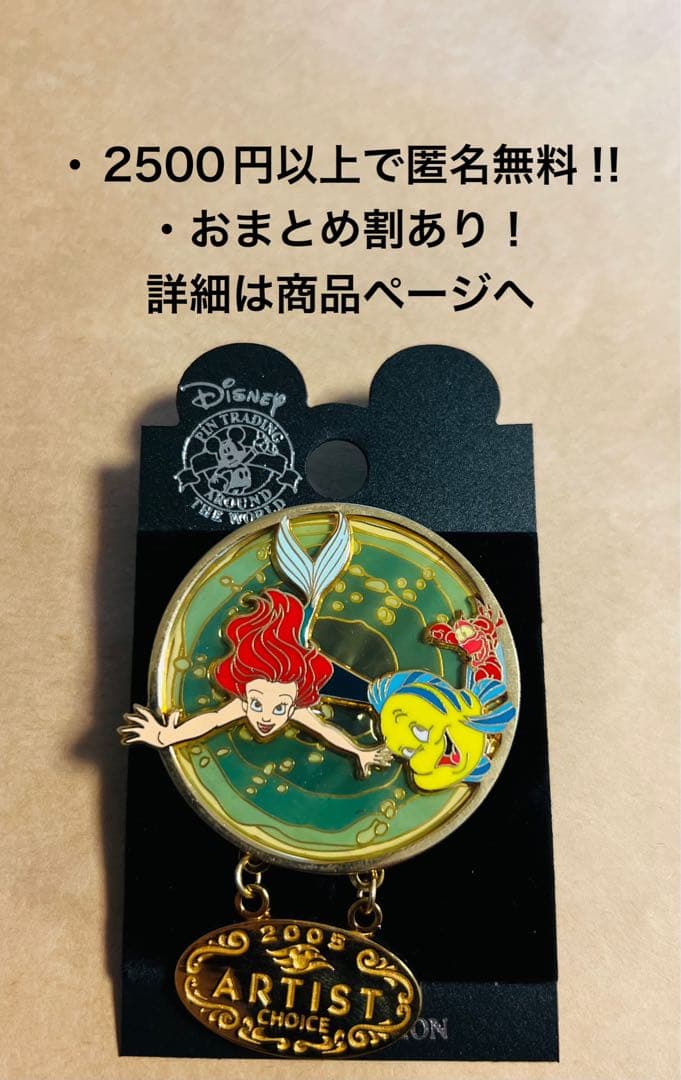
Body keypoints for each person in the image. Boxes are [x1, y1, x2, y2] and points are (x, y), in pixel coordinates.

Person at [120, 588, 392, 778]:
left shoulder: (293, 707)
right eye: (257, 704)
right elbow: (211, 720)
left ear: (294, 702)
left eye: (279, 708)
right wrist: (167, 737)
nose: (265, 717)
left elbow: (325, 730)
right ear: (243, 693)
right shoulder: (245, 705)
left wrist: (360, 753)